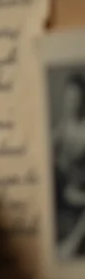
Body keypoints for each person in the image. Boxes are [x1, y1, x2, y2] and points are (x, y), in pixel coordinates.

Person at [52, 74, 85, 259]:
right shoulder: (64, 126)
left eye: (76, 99)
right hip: (64, 188)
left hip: (80, 190)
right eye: (68, 99)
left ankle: (71, 244)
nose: (71, 104)